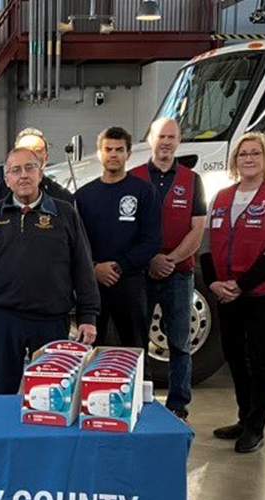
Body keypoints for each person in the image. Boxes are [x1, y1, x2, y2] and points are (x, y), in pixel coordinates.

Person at [0, 148, 99, 395]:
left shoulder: (65, 213)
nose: (23, 176)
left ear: (41, 174)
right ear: (6, 179)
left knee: (51, 393)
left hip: (51, 319)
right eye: (15, 170)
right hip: (3, 319)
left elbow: (82, 266)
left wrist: (88, 315)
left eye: (30, 168)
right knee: (0, 390)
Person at [200, 132, 265, 453]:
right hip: (225, 293)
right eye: (242, 154)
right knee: (236, 357)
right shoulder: (221, 197)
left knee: (261, 361)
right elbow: (207, 246)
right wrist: (213, 283)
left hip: (261, 294)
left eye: (254, 153)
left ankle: (256, 427)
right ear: (234, 161)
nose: (248, 159)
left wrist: (240, 286)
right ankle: (243, 416)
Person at [130, 118, 207, 420]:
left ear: (178, 141)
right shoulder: (134, 178)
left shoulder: (192, 180)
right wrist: (150, 259)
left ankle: (178, 405)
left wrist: (169, 260)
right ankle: (143, 400)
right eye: (160, 136)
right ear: (150, 139)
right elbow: (128, 229)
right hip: (141, 273)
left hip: (179, 274)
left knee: (180, 343)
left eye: (171, 137)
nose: (165, 142)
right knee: (138, 343)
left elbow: (197, 229)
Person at [75, 126, 161, 375]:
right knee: (91, 349)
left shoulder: (144, 192)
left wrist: (120, 265)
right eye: (108, 149)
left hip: (130, 282)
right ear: (99, 153)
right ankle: (90, 403)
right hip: (92, 285)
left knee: (134, 348)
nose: (113, 154)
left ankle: (139, 403)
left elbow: (152, 241)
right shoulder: (83, 196)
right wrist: (94, 269)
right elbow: (77, 243)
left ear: (129, 154)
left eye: (119, 150)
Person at [0, 127, 73, 207]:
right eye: (25, 150)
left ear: (46, 158)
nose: (31, 156)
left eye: (38, 150)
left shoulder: (63, 199)